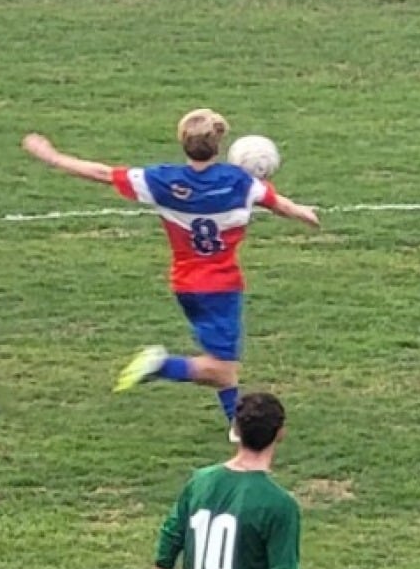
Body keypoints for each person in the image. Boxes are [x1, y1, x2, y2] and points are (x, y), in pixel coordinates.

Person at [22, 109, 319, 441]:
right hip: (221, 287)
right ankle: (161, 365)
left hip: (185, 283)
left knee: (223, 364)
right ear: (220, 145)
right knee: (221, 368)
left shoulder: (163, 181)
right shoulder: (241, 183)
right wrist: (303, 214)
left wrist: (53, 157)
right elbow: (276, 203)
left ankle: (236, 426)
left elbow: (104, 173)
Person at [154, 392, 301, 569]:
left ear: (236, 430)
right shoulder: (279, 504)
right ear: (280, 433)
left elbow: (164, 555)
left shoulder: (199, 482)